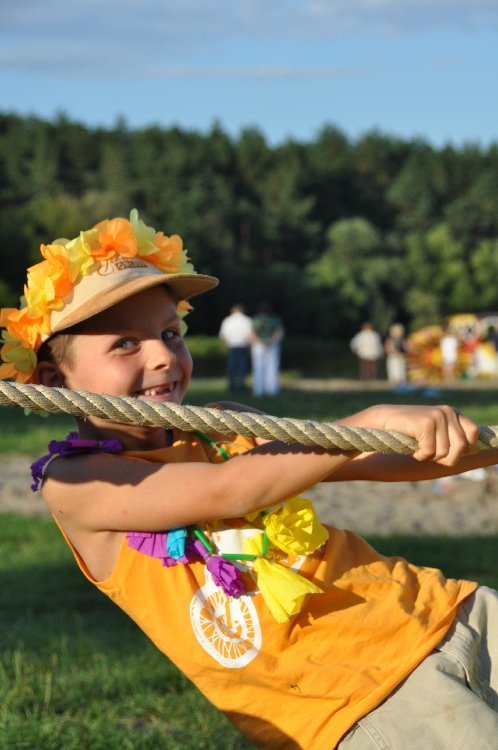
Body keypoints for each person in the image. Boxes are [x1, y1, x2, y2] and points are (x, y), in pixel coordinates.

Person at [2, 210, 498, 750]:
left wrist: (473, 448)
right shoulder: (73, 483)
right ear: (55, 381)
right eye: (125, 343)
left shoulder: (221, 424)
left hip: (451, 610)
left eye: (170, 333)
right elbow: (229, 490)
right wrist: (370, 420)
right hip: (365, 702)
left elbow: (369, 459)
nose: (164, 355)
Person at [250, 301, 285, 396]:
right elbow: (280, 332)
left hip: (258, 345)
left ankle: (258, 390)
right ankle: (272, 390)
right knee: (272, 368)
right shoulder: (275, 319)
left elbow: (252, 333)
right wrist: (270, 340)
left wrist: (260, 341)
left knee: (258, 368)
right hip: (272, 344)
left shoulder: (256, 319)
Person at [218, 303, 253, 392]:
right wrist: (250, 347)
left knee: (231, 367)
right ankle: (241, 386)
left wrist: (226, 344)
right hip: (243, 346)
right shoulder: (247, 320)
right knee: (242, 367)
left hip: (232, 346)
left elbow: (222, 336)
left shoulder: (227, 320)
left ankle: (231, 387)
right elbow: (250, 336)